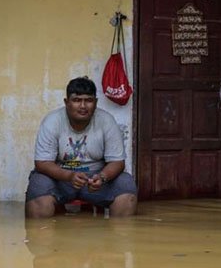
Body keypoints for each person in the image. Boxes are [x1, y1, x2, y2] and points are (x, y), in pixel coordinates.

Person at [25, 77, 138, 218]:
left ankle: (117, 238)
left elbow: (118, 162)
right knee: (38, 185)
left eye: (88, 100)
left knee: (126, 185)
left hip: (95, 179)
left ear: (95, 103)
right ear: (67, 102)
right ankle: (42, 236)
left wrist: (102, 177)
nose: (83, 106)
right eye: (77, 100)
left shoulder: (106, 121)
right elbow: (42, 163)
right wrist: (69, 176)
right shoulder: (52, 121)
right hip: (60, 177)